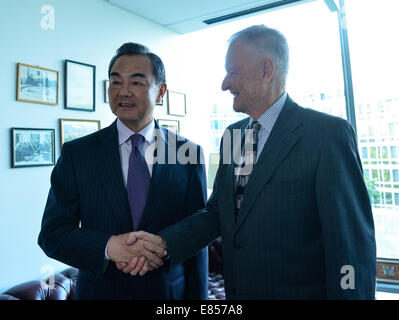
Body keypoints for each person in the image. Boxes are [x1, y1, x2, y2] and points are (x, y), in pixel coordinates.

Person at [122, 25, 377, 299]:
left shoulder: (326, 136)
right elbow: (219, 212)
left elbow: (351, 246)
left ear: (266, 70)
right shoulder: (233, 135)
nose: (224, 84)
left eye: (232, 72)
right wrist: (163, 244)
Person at [38, 42, 208, 300]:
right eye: (116, 82)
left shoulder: (189, 154)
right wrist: (108, 247)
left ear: (161, 92)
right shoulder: (78, 154)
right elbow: (53, 234)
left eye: (137, 83)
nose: (123, 92)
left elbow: (198, 238)